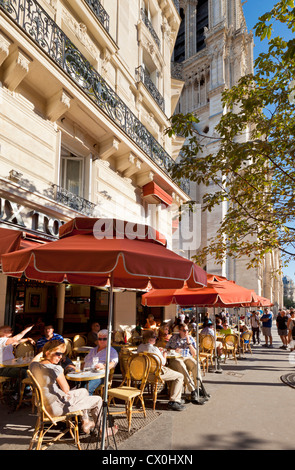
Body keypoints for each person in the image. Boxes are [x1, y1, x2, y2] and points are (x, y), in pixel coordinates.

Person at [29, 340, 117, 436]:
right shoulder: (56, 369)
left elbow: (34, 359)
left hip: (44, 405)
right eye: (58, 354)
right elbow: (66, 389)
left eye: (62, 354)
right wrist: (61, 371)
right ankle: (102, 431)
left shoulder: (33, 366)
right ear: (48, 353)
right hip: (57, 408)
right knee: (98, 400)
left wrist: (45, 352)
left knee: (84, 391)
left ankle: (85, 421)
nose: (60, 357)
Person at [137, 330, 186, 411]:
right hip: (157, 373)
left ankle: (172, 394)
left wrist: (158, 352)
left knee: (172, 373)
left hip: (145, 373)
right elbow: (163, 362)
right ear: (150, 339)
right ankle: (174, 401)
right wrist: (164, 355)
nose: (156, 339)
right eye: (154, 337)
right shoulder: (154, 348)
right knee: (180, 376)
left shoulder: (140, 347)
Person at [166, 323, 210, 404]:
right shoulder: (174, 337)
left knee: (195, 363)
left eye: (187, 330)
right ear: (179, 331)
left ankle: (198, 388)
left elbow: (194, 354)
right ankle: (193, 390)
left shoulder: (190, 338)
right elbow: (167, 348)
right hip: (176, 358)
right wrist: (174, 349)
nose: (186, 332)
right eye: (184, 330)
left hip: (187, 357)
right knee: (181, 365)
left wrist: (189, 343)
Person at [83, 329, 118, 396]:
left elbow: (112, 363)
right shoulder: (93, 350)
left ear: (109, 340)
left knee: (86, 390)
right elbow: (84, 362)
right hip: (86, 373)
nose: (102, 341)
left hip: (99, 376)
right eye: (100, 339)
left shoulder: (111, 351)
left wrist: (103, 366)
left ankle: (87, 405)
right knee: (75, 386)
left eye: (104, 339)